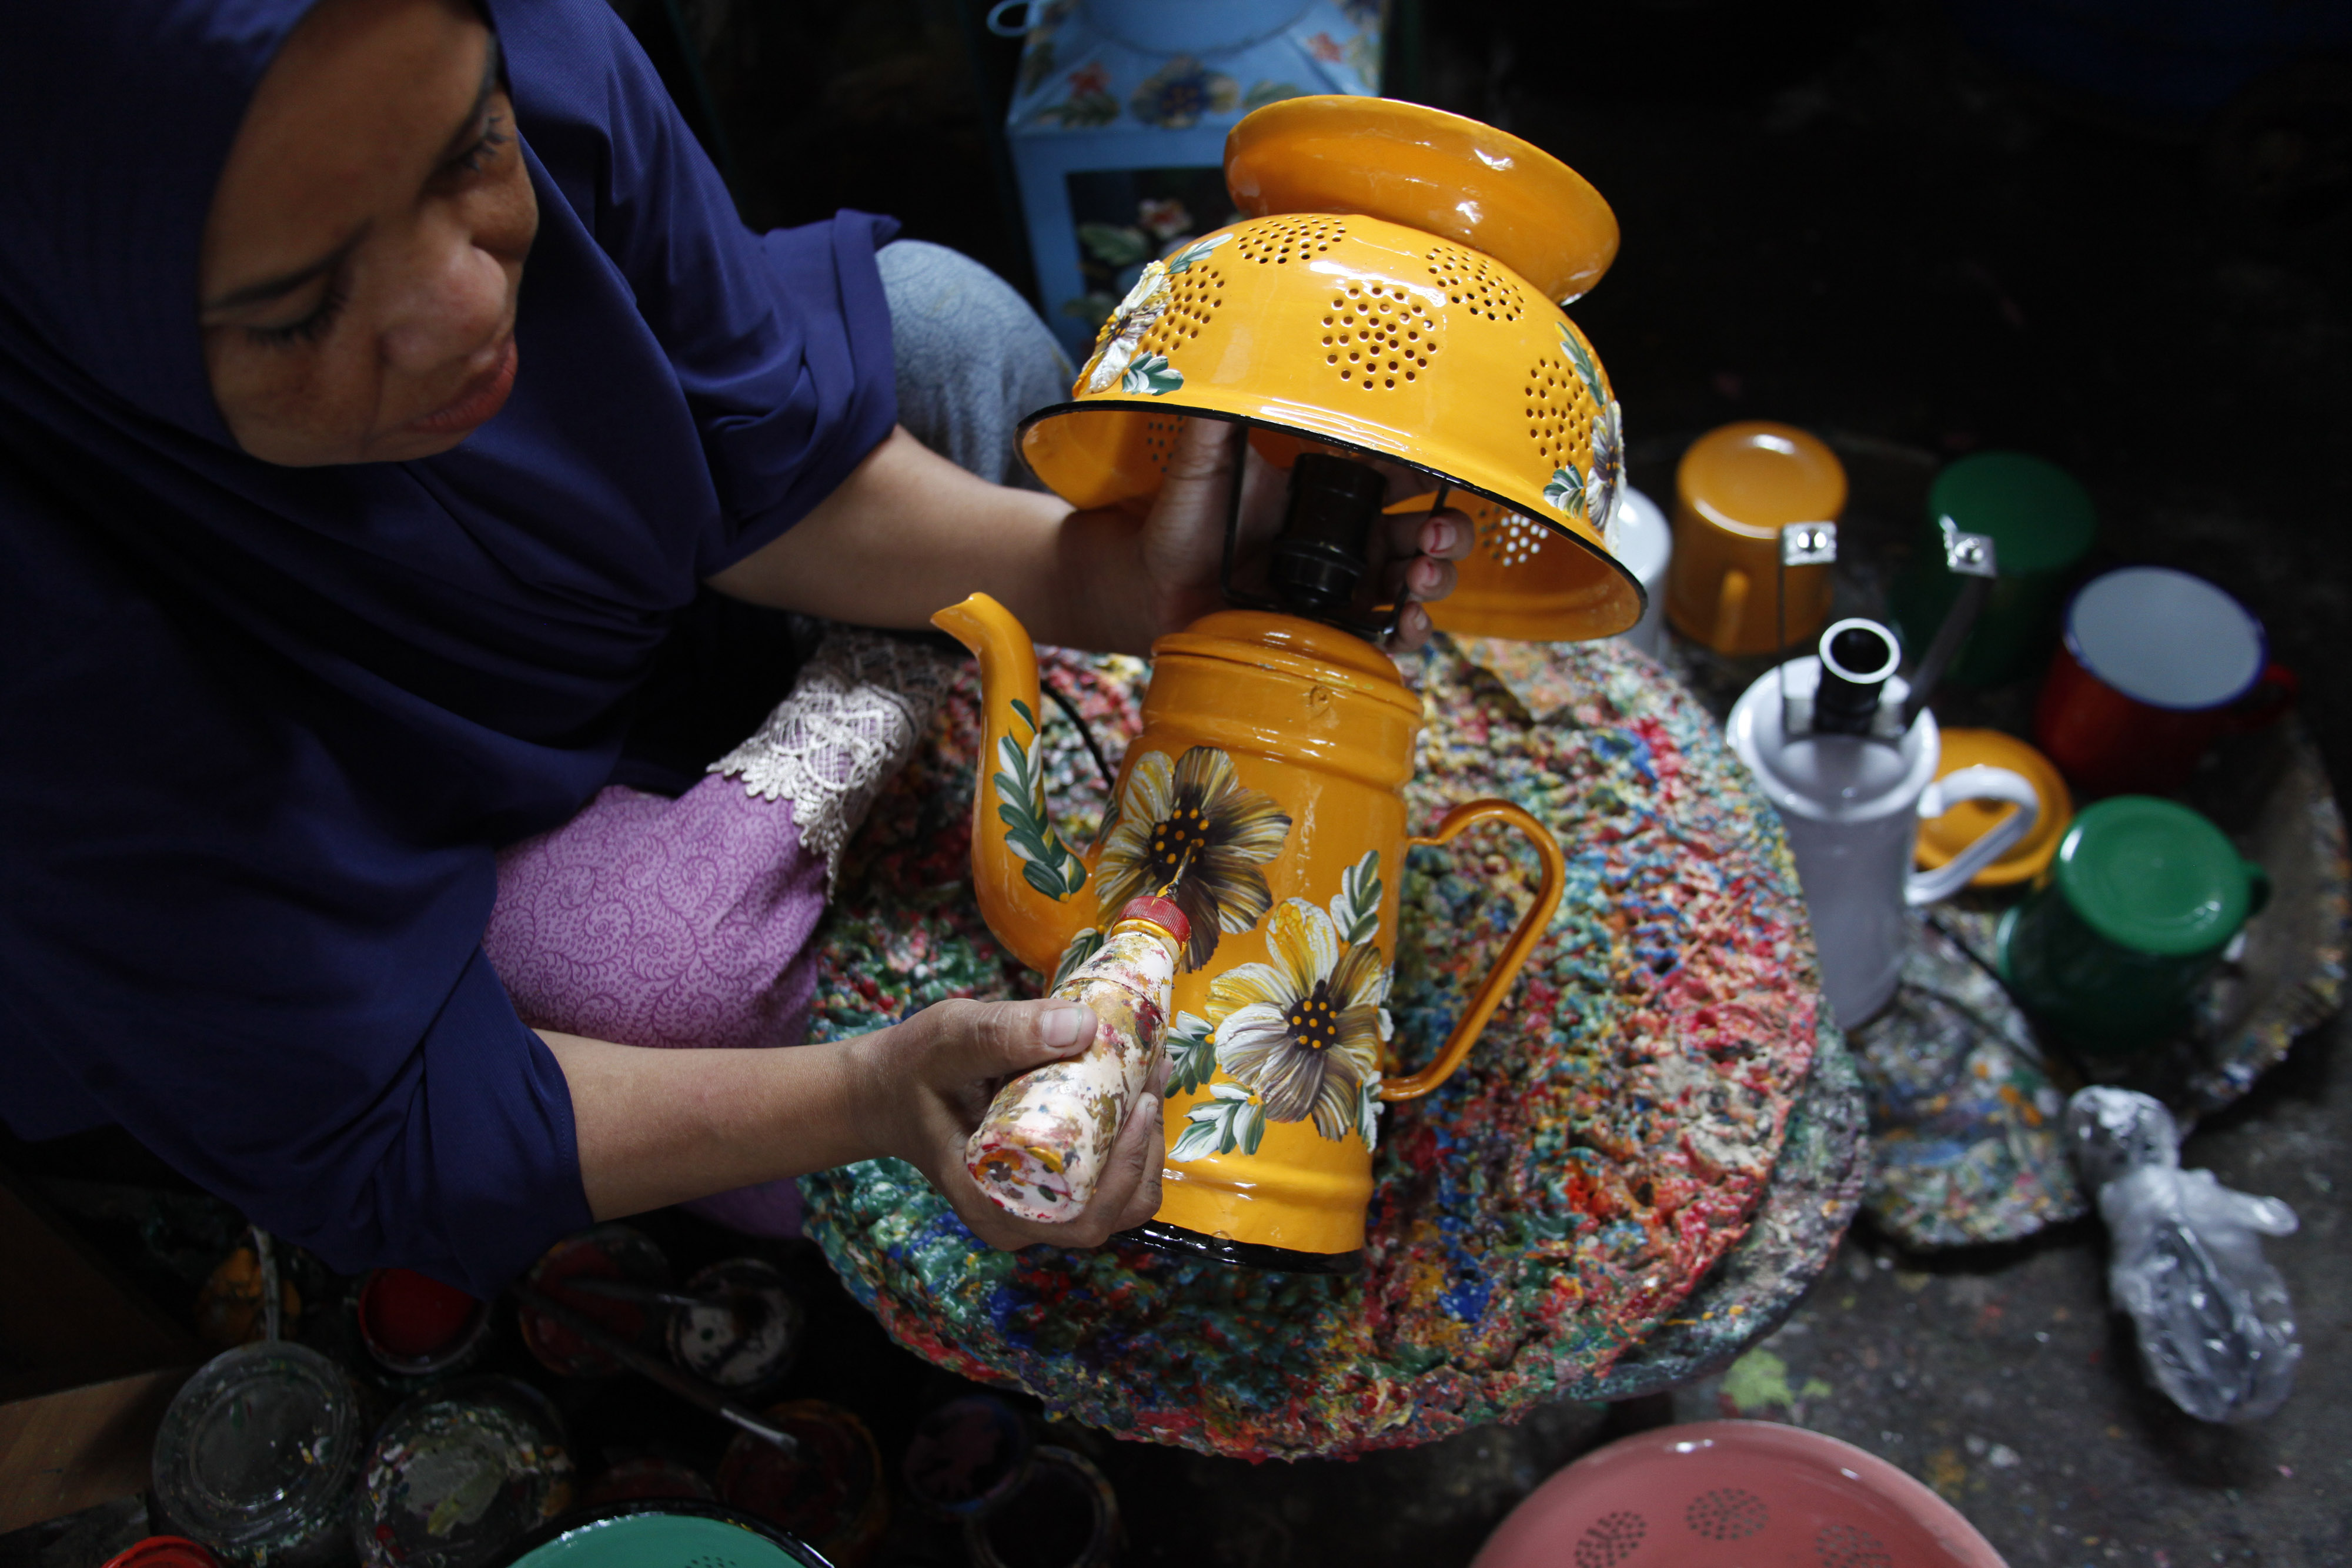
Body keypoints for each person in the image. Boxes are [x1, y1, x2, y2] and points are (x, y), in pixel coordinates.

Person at [0, 0, 1469, 1296]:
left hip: (622, 610)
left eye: (473, 154)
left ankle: (877, 689)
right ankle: (882, 700)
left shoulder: (519, 40)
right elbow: (380, 1123)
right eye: (300, 309)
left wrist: (1108, 580)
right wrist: (868, 1094)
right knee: (659, 978)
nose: (467, 310)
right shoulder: (46, 623)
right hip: (356, 835)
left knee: (945, 328)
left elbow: (746, 454)